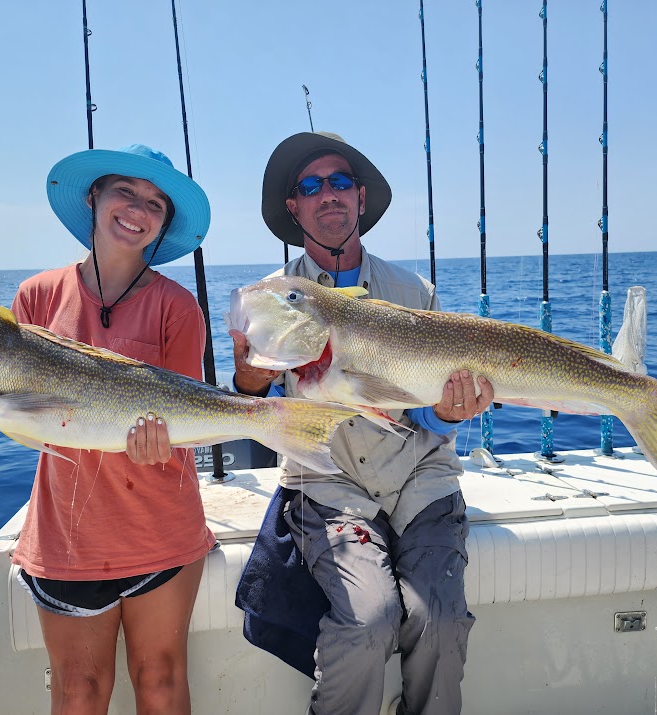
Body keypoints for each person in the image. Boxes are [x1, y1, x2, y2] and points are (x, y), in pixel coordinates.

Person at [232, 132, 495, 715]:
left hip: (420, 479)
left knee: (440, 621)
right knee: (368, 619)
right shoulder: (272, 298)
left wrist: (448, 410)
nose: (328, 194)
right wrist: (248, 370)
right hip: (329, 482)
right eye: (310, 186)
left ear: (361, 198)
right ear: (294, 208)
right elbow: (254, 398)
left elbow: (426, 411)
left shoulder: (413, 292)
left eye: (341, 182)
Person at [11, 144, 215, 714]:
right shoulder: (36, 296)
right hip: (67, 534)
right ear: (93, 197)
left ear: (163, 225)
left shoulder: (178, 307)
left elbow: (187, 416)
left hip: (162, 527)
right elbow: (23, 415)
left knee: (160, 680)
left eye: (155, 202)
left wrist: (164, 441)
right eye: (125, 190)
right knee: (78, 690)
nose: (138, 208)